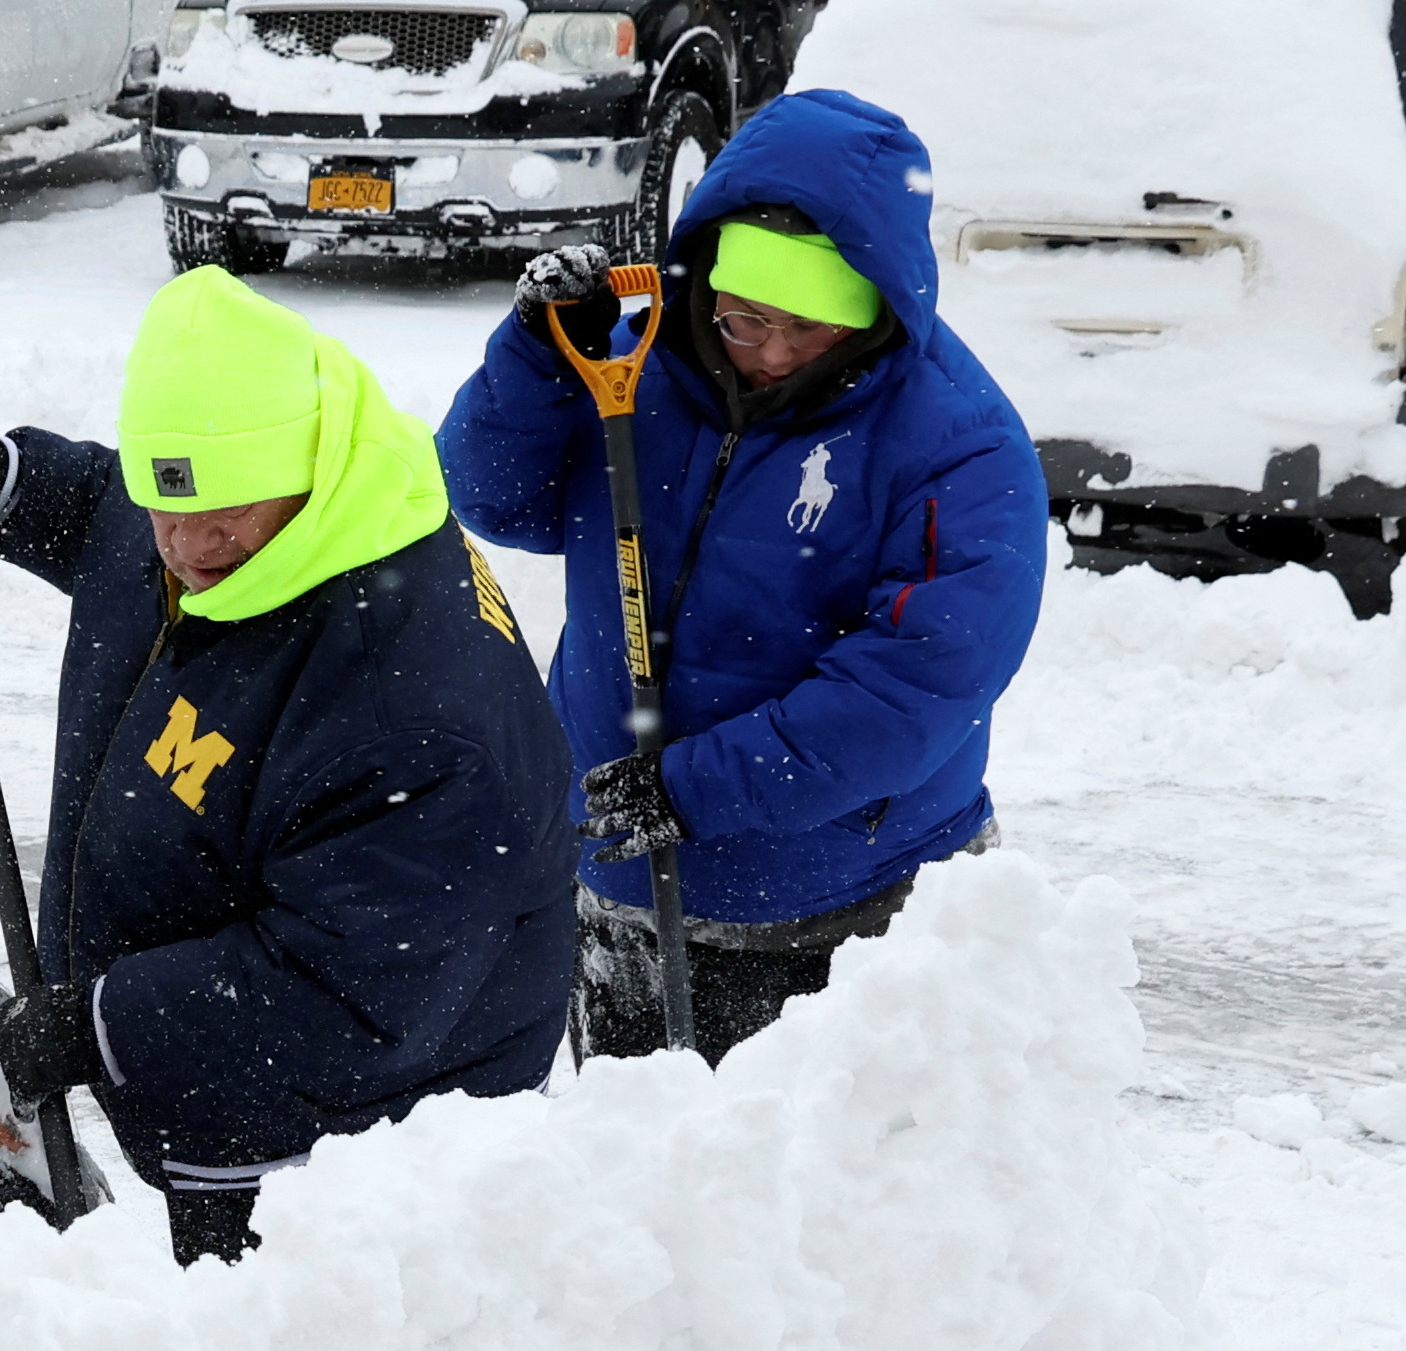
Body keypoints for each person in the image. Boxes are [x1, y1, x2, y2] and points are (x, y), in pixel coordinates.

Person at [0, 269, 577, 1264]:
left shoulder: (400, 700)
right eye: (167, 500)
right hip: (235, 1090)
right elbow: (118, 507)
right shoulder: (247, 511)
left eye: (217, 512)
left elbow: (343, 990)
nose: (185, 546)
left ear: (307, 468)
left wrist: (97, 1024)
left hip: (359, 1151)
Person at [438, 88, 1049, 1063]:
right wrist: (535, 358)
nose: (768, 354)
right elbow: (492, 498)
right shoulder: (630, 355)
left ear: (872, 311)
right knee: (633, 1185)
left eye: (806, 331)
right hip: (620, 879)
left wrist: (695, 789)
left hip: (843, 909)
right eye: (742, 321)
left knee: (829, 1201)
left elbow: (914, 685)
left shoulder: (958, 446)